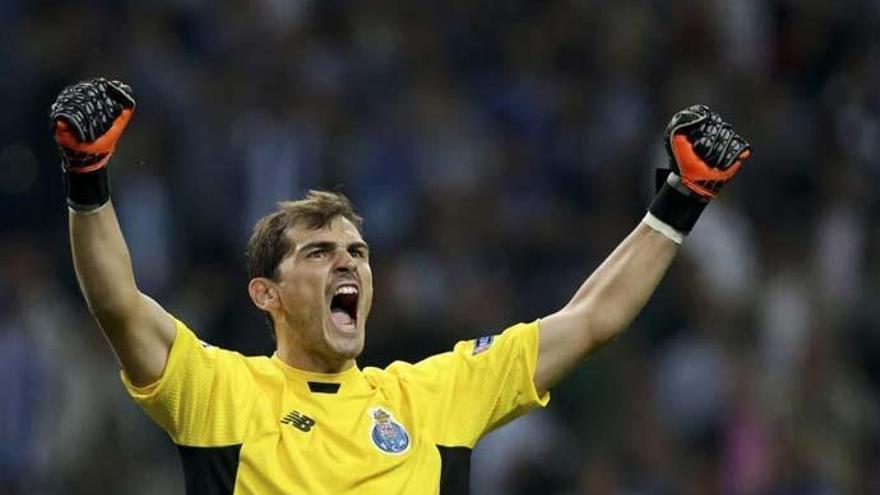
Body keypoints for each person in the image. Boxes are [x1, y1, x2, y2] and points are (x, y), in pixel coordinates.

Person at [50, 78, 751, 494]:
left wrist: (680, 199)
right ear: (265, 292)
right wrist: (88, 176)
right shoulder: (223, 393)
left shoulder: (433, 397)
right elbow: (118, 302)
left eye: (357, 250)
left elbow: (592, 318)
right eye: (320, 253)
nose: (348, 263)